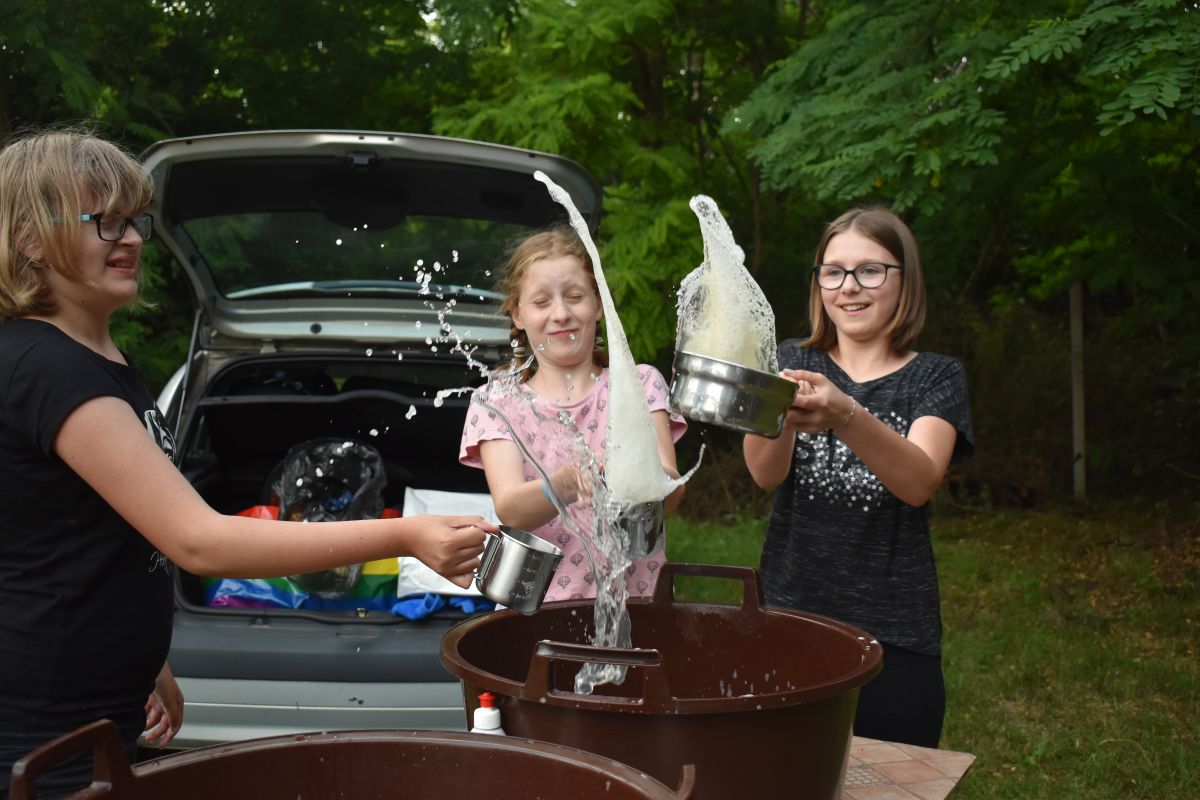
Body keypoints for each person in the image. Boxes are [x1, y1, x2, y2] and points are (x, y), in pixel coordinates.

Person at [0, 128, 492, 798]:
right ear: (31, 239)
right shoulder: (46, 368)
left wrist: (150, 662)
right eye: (104, 221)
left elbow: (101, 535)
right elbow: (198, 541)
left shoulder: (96, 363)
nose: (133, 239)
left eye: (135, 220)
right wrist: (405, 536)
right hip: (39, 730)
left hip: (92, 710)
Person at [743, 207, 973, 748]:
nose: (849, 286)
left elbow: (918, 482)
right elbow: (763, 473)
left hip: (896, 631)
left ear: (904, 280)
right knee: (786, 773)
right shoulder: (790, 360)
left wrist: (846, 415)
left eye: (870, 270)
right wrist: (780, 412)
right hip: (789, 618)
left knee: (893, 777)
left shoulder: (935, 377)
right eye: (834, 271)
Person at [459, 226, 686, 601]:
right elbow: (511, 509)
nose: (561, 314)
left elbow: (672, 493)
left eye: (575, 297)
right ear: (517, 314)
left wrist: (640, 474)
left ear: (598, 304)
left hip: (640, 603)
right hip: (540, 609)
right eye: (541, 302)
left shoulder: (639, 385)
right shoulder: (497, 400)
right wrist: (564, 484)